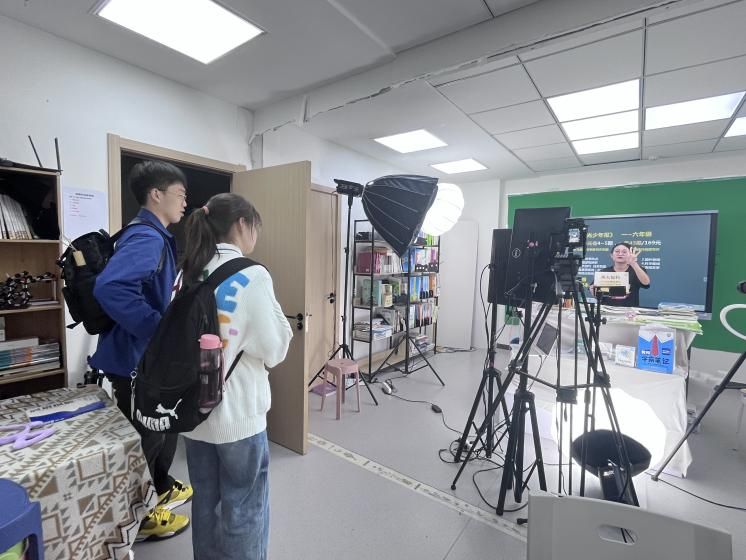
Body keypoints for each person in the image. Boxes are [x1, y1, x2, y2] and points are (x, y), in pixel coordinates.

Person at [180, 193, 293, 560]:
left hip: (194, 415)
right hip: (238, 416)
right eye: (255, 227)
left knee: (205, 503)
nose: (256, 235)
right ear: (242, 224)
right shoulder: (252, 274)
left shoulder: (188, 271)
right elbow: (275, 349)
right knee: (244, 508)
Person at [90, 160, 192, 541]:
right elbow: (110, 288)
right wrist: (157, 329)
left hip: (147, 359)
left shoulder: (154, 235)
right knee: (145, 439)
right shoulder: (147, 237)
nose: (185, 202)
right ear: (156, 195)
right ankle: (141, 517)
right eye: (180, 194)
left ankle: (159, 488)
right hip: (135, 361)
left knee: (163, 430)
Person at [599, 242, 651, 307]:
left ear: (630, 254)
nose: (620, 254)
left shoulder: (636, 270)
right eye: (617, 251)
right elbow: (596, 292)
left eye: (624, 252)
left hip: (630, 310)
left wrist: (633, 263)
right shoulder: (604, 272)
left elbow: (646, 283)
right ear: (611, 255)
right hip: (606, 309)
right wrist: (592, 289)